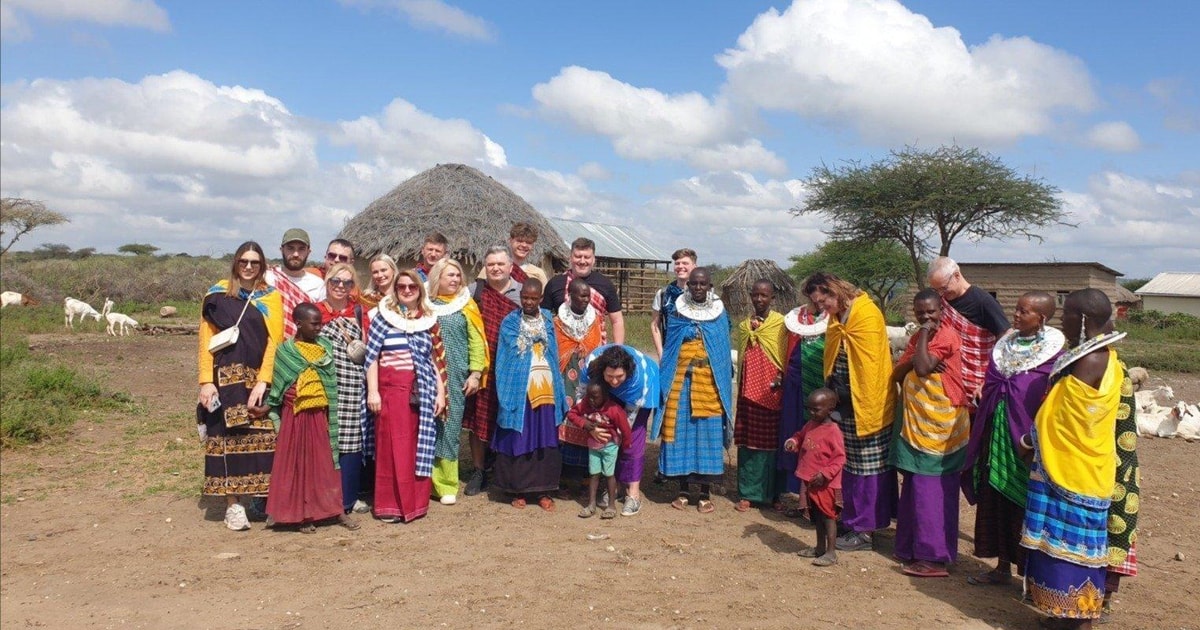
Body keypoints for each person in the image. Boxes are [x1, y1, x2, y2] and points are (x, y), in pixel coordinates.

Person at [1019, 288, 1125, 628]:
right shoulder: (1104, 355)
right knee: (1063, 545)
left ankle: (1079, 619)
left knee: (1073, 550)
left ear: (1080, 320)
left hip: (1071, 468)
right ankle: (1064, 613)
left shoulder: (1088, 359)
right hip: (1084, 465)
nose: (1061, 320)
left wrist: (1027, 440)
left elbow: (1065, 418)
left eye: (1066, 315)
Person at [962, 292, 1063, 587]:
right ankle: (1001, 566)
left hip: (1024, 440)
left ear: (1041, 319)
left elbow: (1045, 395)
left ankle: (1031, 576)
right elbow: (995, 378)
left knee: (1025, 502)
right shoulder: (1005, 345)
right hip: (996, 433)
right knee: (994, 496)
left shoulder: (1053, 354)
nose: (1016, 315)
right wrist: (986, 389)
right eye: (1016, 310)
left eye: (1024, 312)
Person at [802, 272, 896, 552]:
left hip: (866, 404)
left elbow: (870, 367)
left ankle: (865, 530)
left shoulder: (866, 314)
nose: (822, 309)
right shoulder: (837, 317)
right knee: (848, 465)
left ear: (834, 292)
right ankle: (852, 520)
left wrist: (855, 399)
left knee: (868, 467)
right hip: (842, 402)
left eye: (823, 302)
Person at [196, 241, 284, 531]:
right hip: (224, 380)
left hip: (256, 379)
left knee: (264, 439)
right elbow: (205, 341)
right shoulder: (218, 294)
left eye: (254, 263)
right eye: (244, 261)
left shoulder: (270, 298)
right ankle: (233, 505)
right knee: (226, 441)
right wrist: (206, 381)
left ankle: (264, 502)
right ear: (235, 262)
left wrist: (264, 380)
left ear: (262, 266)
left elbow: (275, 343)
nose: (248, 267)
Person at [889, 289, 972, 578]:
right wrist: (916, 354)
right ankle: (916, 549)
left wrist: (922, 340)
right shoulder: (917, 340)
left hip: (940, 429)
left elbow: (922, 367)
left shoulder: (947, 336)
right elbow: (898, 373)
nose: (926, 317)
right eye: (920, 313)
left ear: (942, 311)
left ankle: (933, 558)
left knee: (932, 491)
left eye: (931, 312)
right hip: (918, 427)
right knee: (914, 488)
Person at [257, 303, 360, 533]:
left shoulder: (325, 348)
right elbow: (280, 386)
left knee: (326, 464)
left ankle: (335, 510)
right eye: (314, 324)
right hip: (296, 416)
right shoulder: (286, 351)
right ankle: (303, 515)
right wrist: (268, 406)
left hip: (321, 415)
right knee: (299, 465)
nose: (319, 328)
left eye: (320, 323)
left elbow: (329, 379)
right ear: (299, 323)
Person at [365, 269, 447, 523]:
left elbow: (435, 361)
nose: (407, 290)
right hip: (390, 392)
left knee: (416, 448)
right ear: (396, 289)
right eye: (402, 287)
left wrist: (441, 394)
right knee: (391, 447)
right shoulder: (383, 319)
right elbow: (372, 358)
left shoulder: (428, 321)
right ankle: (390, 505)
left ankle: (415, 504)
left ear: (419, 290)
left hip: (419, 392)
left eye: (412, 286)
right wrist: (373, 391)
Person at [655, 267, 733, 514]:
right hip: (681, 381)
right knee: (680, 432)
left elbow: (721, 348)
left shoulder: (719, 314)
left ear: (710, 286)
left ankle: (705, 492)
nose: (698, 288)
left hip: (708, 383)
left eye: (703, 284)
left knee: (707, 435)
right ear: (688, 286)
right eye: (694, 284)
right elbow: (671, 344)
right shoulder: (677, 310)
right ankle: (683, 490)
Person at [491, 278, 569, 511]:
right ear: (521, 296)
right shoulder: (511, 322)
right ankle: (518, 490)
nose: (528, 302)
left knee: (545, 436)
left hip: (546, 387)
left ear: (541, 299)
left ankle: (543, 491)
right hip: (520, 389)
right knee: (521, 436)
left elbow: (553, 351)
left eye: (534, 298)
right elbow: (507, 355)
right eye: (525, 297)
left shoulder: (547, 319)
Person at [426, 258, 487, 505]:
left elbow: (476, 340)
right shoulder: (425, 305)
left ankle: (447, 483)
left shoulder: (466, 305)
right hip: (428, 374)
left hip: (456, 375)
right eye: (449, 275)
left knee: (450, 428)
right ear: (437, 278)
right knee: (427, 427)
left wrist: (475, 374)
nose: (454, 280)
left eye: (457, 275)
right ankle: (425, 481)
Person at [464, 245, 522, 496]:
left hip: (511, 368)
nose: (496, 268)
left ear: (511, 267)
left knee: (506, 416)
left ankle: (501, 467)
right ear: (485, 267)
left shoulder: (523, 292)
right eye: (491, 264)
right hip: (481, 366)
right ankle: (478, 470)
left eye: (500, 264)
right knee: (478, 419)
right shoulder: (473, 291)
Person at [316, 263, 372, 515]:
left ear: (353, 287)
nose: (340, 287)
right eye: (335, 281)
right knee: (324, 443)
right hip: (322, 387)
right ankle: (322, 499)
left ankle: (347, 498)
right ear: (326, 282)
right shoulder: (315, 313)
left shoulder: (360, 313)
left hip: (352, 389)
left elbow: (371, 351)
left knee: (351, 442)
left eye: (347, 283)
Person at [581, 344, 660, 516]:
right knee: (608, 437)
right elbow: (582, 397)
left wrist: (615, 433)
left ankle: (633, 493)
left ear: (627, 372)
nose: (615, 381)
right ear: (602, 371)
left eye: (619, 376)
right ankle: (614, 486)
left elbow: (627, 421)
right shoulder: (591, 366)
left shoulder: (638, 380)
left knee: (630, 439)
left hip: (640, 396)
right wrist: (591, 426)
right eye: (610, 376)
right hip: (608, 391)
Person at [733, 279, 789, 512]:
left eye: (764, 295)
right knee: (749, 444)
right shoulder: (745, 325)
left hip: (772, 393)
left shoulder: (782, 325)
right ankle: (748, 493)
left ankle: (774, 494)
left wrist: (780, 378)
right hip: (748, 393)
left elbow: (786, 356)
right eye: (755, 295)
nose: (759, 299)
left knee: (773, 445)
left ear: (772, 298)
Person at [927, 257, 1010, 402]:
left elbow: (1006, 337)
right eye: (936, 290)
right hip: (950, 378)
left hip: (977, 382)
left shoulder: (983, 301)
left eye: (944, 288)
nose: (941, 294)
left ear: (957, 275)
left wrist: (991, 378)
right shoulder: (941, 301)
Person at [554, 278, 606, 488]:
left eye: (588, 295)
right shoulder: (558, 321)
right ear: (570, 296)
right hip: (564, 377)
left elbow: (601, 346)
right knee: (566, 418)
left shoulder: (596, 319)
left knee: (588, 416)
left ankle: (586, 476)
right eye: (581, 295)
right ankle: (565, 478)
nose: (586, 299)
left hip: (588, 378)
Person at [784, 387, 845, 567]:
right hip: (810, 480)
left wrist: (825, 474)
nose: (811, 412)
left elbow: (839, 457)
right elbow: (801, 437)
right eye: (809, 408)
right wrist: (793, 442)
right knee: (817, 516)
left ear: (830, 410)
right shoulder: (810, 424)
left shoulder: (833, 431)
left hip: (825, 484)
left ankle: (831, 552)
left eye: (816, 409)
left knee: (828, 516)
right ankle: (819, 548)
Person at [1102, 363, 1140, 624]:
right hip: (1103, 458)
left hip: (1117, 461)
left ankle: (1103, 600)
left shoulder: (1117, 372)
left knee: (1115, 525)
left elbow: (1122, 424)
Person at [778, 303, 827, 502]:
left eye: (821, 293)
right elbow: (783, 350)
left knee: (818, 438)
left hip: (821, 391)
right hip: (794, 387)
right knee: (793, 433)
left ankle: (816, 495)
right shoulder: (794, 319)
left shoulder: (832, 320)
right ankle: (792, 491)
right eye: (812, 292)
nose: (816, 298)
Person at [567, 382, 633, 519]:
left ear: (605, 396)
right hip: (593, 446)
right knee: (594, 474)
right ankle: (591, 505)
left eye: (595, 397)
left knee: (609, 474)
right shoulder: (586, 403)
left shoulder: (614, 409)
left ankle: (611, 506)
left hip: (610, 446)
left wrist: (626, 446)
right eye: (589, 396)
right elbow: (572, 414)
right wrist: (584, 424)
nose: (591, 400)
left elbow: (625, 428)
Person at [542, 237, 624, 345]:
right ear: (570, 258)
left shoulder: (605, 285)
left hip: (597, 351)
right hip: (562, 351)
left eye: (587, 257)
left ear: (593, 259)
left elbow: (617, 321)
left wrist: (618, 349)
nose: (582, 261)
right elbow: (543, 318)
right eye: (578, 256)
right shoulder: (555, 284)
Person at [266, 228, 326, 338]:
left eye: (301, 249)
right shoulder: (268, 277)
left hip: (304, 350)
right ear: (282, 250)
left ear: (308, 252)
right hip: (271, 346)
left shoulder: (318, 284)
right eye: (290, 248)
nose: (296, 254)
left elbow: (321, 322)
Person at [650, 248, 697, 358]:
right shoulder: (663, 294)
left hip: (697, 355)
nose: (680, 266)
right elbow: (655, 325)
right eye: (677, 263)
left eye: (685, 263)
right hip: (671, 353)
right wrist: (661, 354)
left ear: (694, 266)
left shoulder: (703, 295)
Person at [476, 222, 549, 286]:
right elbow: (477, 293)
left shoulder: (537, 274)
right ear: (510, 241)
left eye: (528, 242)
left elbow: (543, 300)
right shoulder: (493, 268)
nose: (524, 245)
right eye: (519, 241)